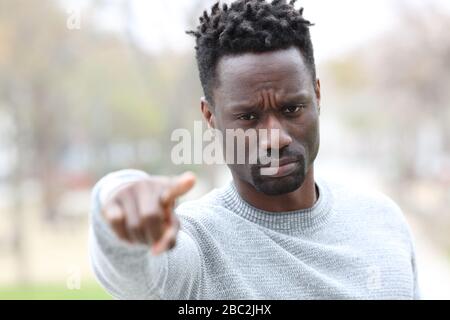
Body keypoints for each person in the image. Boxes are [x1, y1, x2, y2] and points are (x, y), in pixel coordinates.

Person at [89, 0, 420, 299]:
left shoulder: (382, 220)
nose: (275, 138)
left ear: (317, 95)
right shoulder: (196, 246)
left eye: (292, 109)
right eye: (248, 117)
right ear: (210, 116)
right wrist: (118, 196)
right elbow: (135, 277)